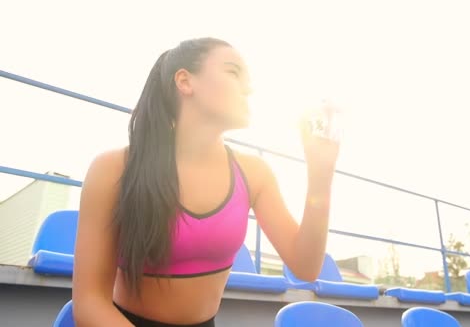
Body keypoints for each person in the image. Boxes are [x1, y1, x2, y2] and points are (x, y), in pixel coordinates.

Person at [72, 38, 340, 326]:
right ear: (185, 81)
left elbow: (306, 266)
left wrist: (320, 174)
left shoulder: (255, 172)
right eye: (233, 72)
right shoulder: (113, 168)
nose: (249, 88)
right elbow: (89, 302)